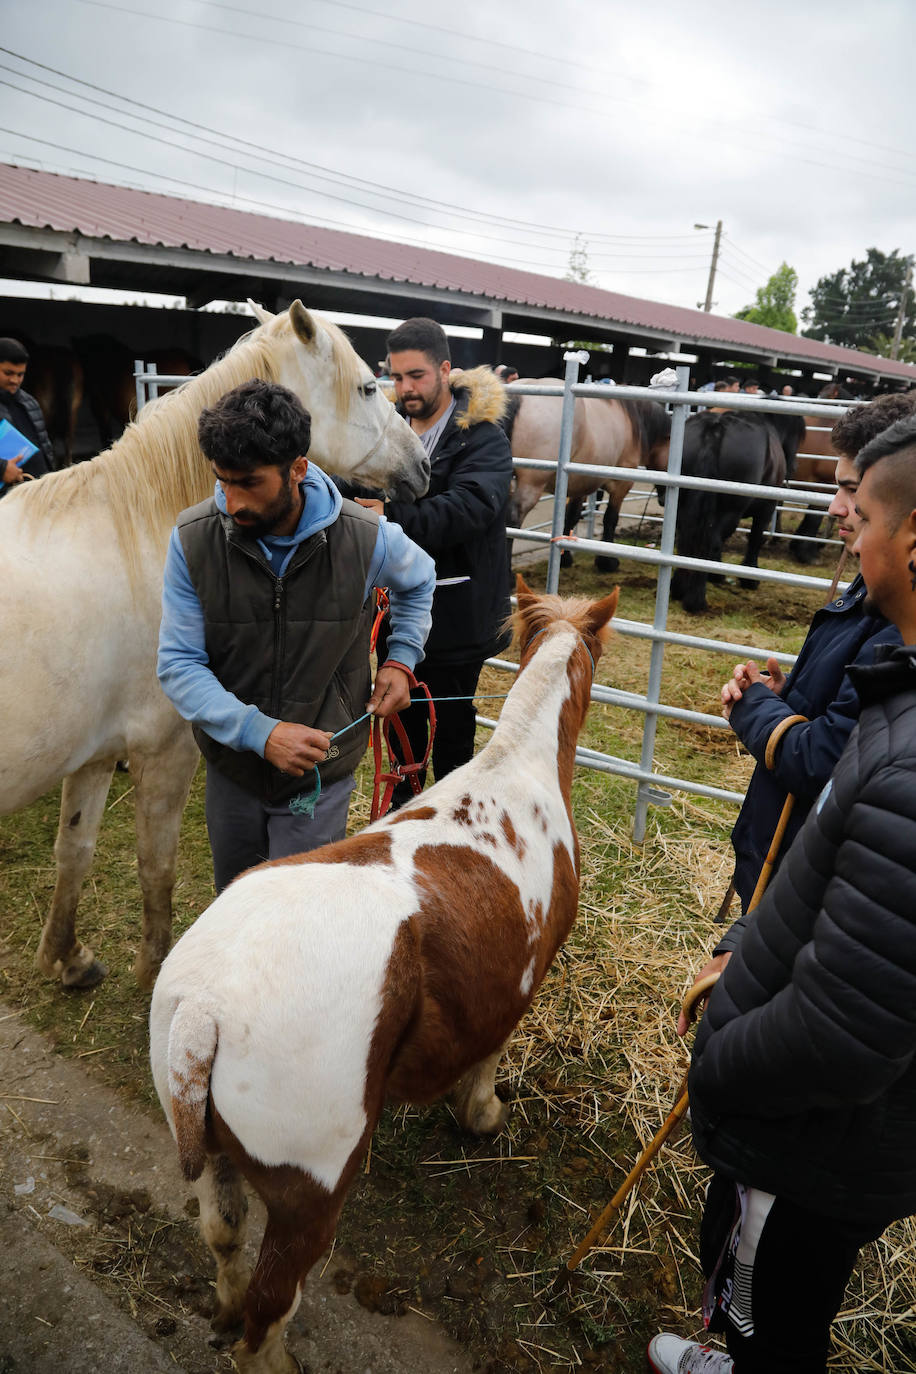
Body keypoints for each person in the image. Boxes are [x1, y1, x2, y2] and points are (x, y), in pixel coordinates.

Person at [649, 414, 916, 1374]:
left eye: (865, 505)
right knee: (761, 1275)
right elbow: (843, 877)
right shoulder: (897, 680)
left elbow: (843, 1035)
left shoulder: (908, 754)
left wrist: (719, 1060)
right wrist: (755, 940)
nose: (845, 520)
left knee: (774, 1294)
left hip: (815, 1138)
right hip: (831, 1126)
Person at [157, 378, 436, 892]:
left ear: (298, 469)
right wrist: (258, 733)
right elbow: (178, 664)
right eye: (222, 481)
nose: (232, 501)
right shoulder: (192, 541)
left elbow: (420, 580)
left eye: (249, 482)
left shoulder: (366, 538)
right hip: (233, 768)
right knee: (237, 901)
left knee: (299, 905)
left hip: (320, 771)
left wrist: (401, 659)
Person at [691, 391, 916, 963]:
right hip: (786, 859)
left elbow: (821, 757)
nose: (838, 508)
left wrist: (752, 709)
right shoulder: (871, 588)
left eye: (852, 492)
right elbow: (843, 713)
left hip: (804, 880)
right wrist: (786, 696)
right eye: (839, 489)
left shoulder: (895, 619)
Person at [351, 317, 513, 806]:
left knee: (450, 733)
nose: (405, 388)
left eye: (417, 375)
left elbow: (470, 507)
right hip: (397, 610)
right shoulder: (391, 431)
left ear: (445, 370)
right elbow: (358, 484)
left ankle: (450, 826)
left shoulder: (482, 438)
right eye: (396, 377)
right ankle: (403, 819)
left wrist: (389, 516)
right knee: (401, 727)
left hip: (456, 613)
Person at [0, 336, 54, 493]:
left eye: (20, 374)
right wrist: (2, 468)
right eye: (8, 373)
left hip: (38, 495)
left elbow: (46, 448)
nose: (15, 380)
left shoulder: (30, 402)